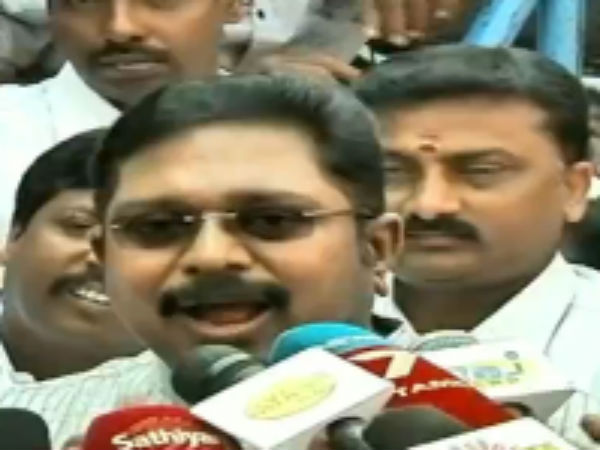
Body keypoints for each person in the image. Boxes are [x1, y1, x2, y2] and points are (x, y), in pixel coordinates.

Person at [1, 74, 400, 448]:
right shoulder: (42, 429)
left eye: (271, 220)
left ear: (377, 247)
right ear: (105, 258)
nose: (211, 257)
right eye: (158, 227)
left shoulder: (439, 408)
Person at [354, 45, 600, 447]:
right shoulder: (300, 337)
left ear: (574, 189)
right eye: (393, 172)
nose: (429, 205)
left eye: (482, 171)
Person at [1, 129, 143, 381]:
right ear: (15, 235)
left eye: (144, 239)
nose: (103, 258)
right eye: (79, 225)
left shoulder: (203, 398)